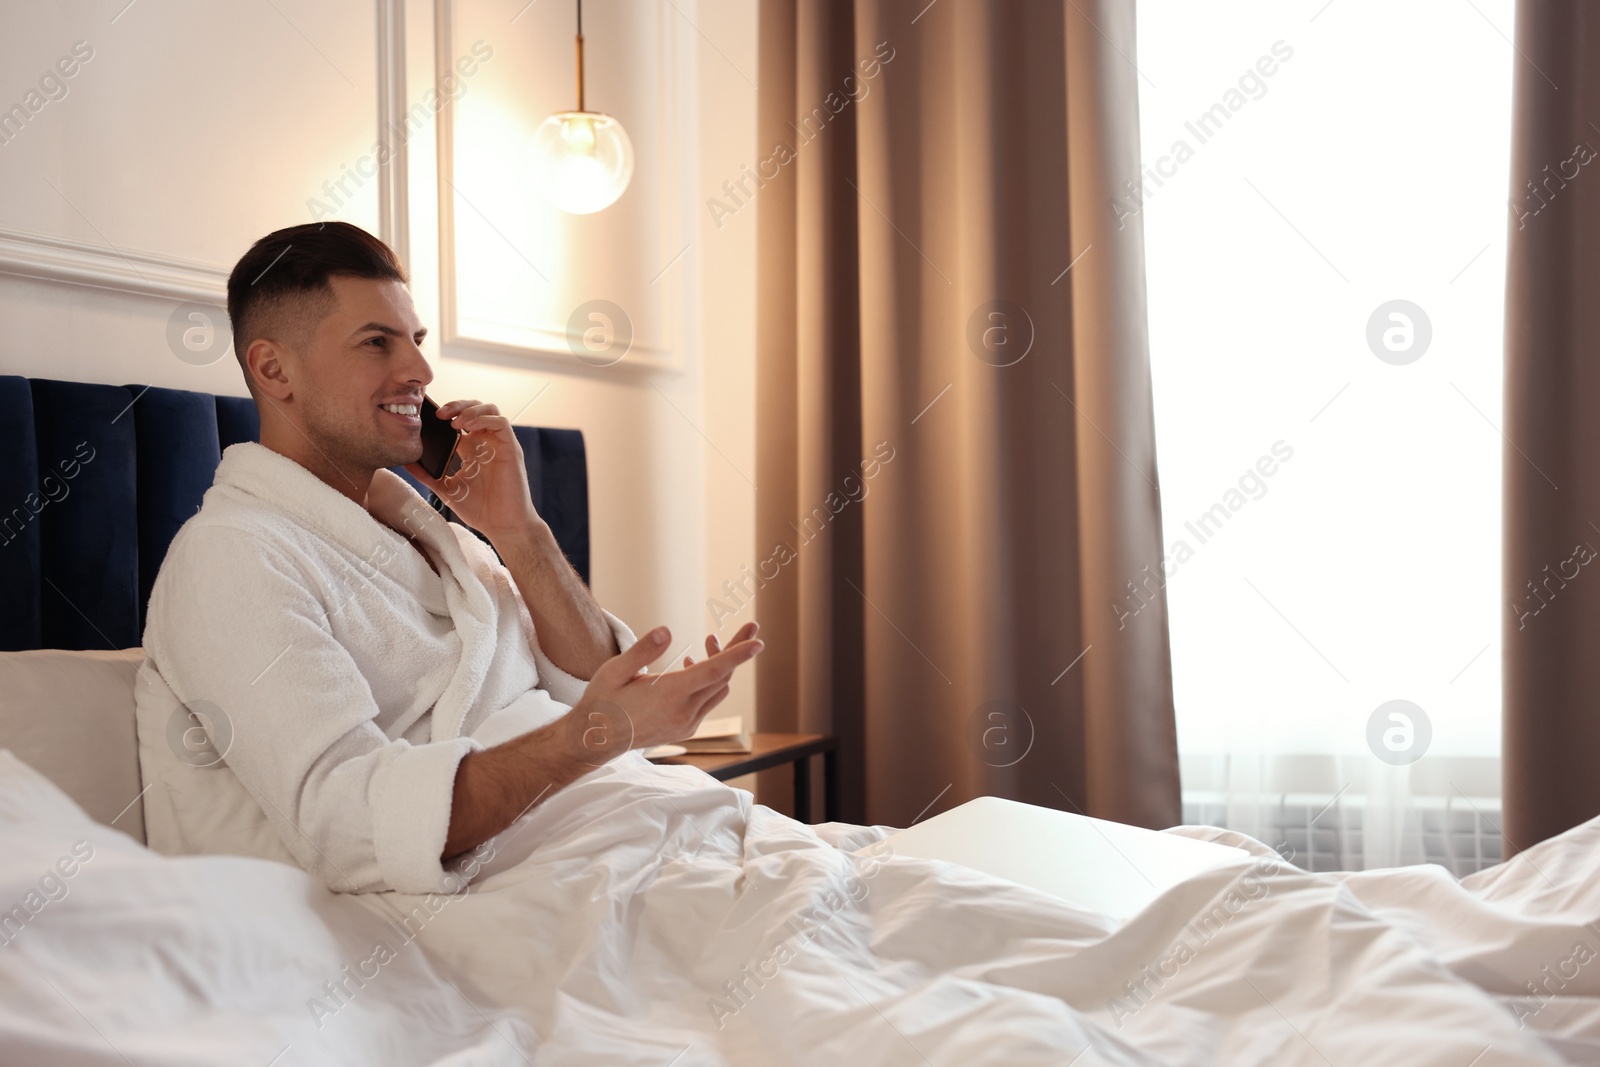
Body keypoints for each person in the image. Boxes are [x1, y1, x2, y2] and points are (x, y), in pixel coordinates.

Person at [134, 221, 762, 894]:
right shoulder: (234, 557)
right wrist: (588, 737)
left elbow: (585, 686)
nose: (421, 372)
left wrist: (519, 532)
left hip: (632, 837)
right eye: (377, 342)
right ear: (273, 368)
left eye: (416, 341)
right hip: (483, 901)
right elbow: (349, 825)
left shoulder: (439, 538)